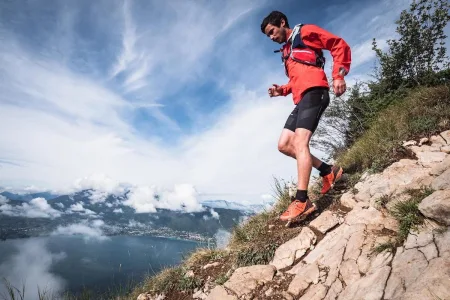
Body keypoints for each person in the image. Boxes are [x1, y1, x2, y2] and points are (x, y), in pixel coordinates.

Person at [260, 11, 352, 221]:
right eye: (269, 36)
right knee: (284, 144)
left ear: (282, 23)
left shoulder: (305, 32)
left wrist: (338, 75)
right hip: (301, 99)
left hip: (316, 92)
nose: (272, 37)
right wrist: (281, 90)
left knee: (301, 142)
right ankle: (328, 170)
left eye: (272, 32)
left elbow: (338, 44)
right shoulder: (287, 51)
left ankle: (302, 200)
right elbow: (296, 80)